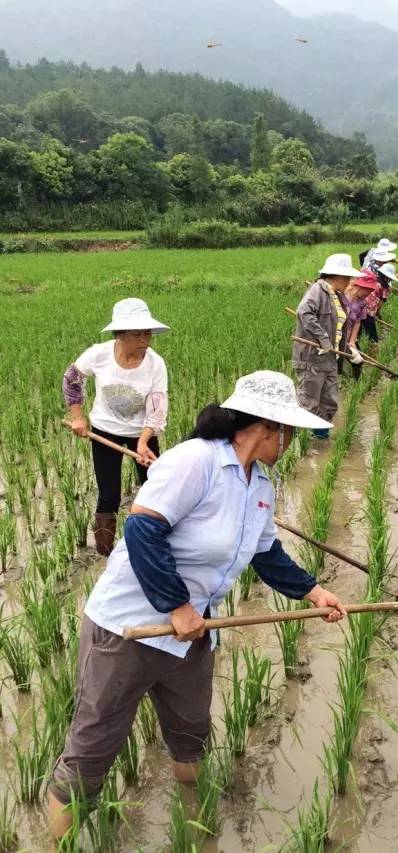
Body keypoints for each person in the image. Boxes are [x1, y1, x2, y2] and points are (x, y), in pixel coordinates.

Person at [48, 370, 347, 842]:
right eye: (286, 430)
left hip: (190, 638)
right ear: (264, 426)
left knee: (190, 732)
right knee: (94, 745)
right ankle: (57, 844)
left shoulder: (261, 485)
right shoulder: (196, 462)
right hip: (129, 630)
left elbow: (265, 553)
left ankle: (198, 818)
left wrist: (314, 592)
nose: (289, 440)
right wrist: (177, 606)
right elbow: (143, 530)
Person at [63, 298, 170, 557]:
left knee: (154, 489)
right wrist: (77, 417)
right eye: (137, 333)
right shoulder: (99, 354)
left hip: (140, 434)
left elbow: (157, 410)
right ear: (120, 334)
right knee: (109, 494)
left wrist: (144, 440)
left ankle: (152, 546)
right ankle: (105, 556)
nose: (145, 338)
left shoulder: (155, 364)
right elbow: (72, 378)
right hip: (103, 431)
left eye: (147, 332)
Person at [292, 253, 364, 439]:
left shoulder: (337, 296)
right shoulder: (318, 290)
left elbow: (337, 331)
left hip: (330, 359)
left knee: (329, 404)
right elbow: (304, 312)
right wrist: (323, 339)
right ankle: (304, 447)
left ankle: (321, 443)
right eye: (347, 277)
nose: (349, 281)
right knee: (309, 403)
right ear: (336, 276)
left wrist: (350, 352)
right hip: (312, 359)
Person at [338, 270, 379, 380]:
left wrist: (352, 340)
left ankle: (355, 385)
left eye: (371, 290)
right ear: (360, 286)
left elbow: (358, 321)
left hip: (349, 335)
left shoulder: (362, 302)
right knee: (337, 363)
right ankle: (342, 382)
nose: (369, 293)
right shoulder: (340, 295)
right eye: (368, 290)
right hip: (337, 335)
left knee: (357, 361)